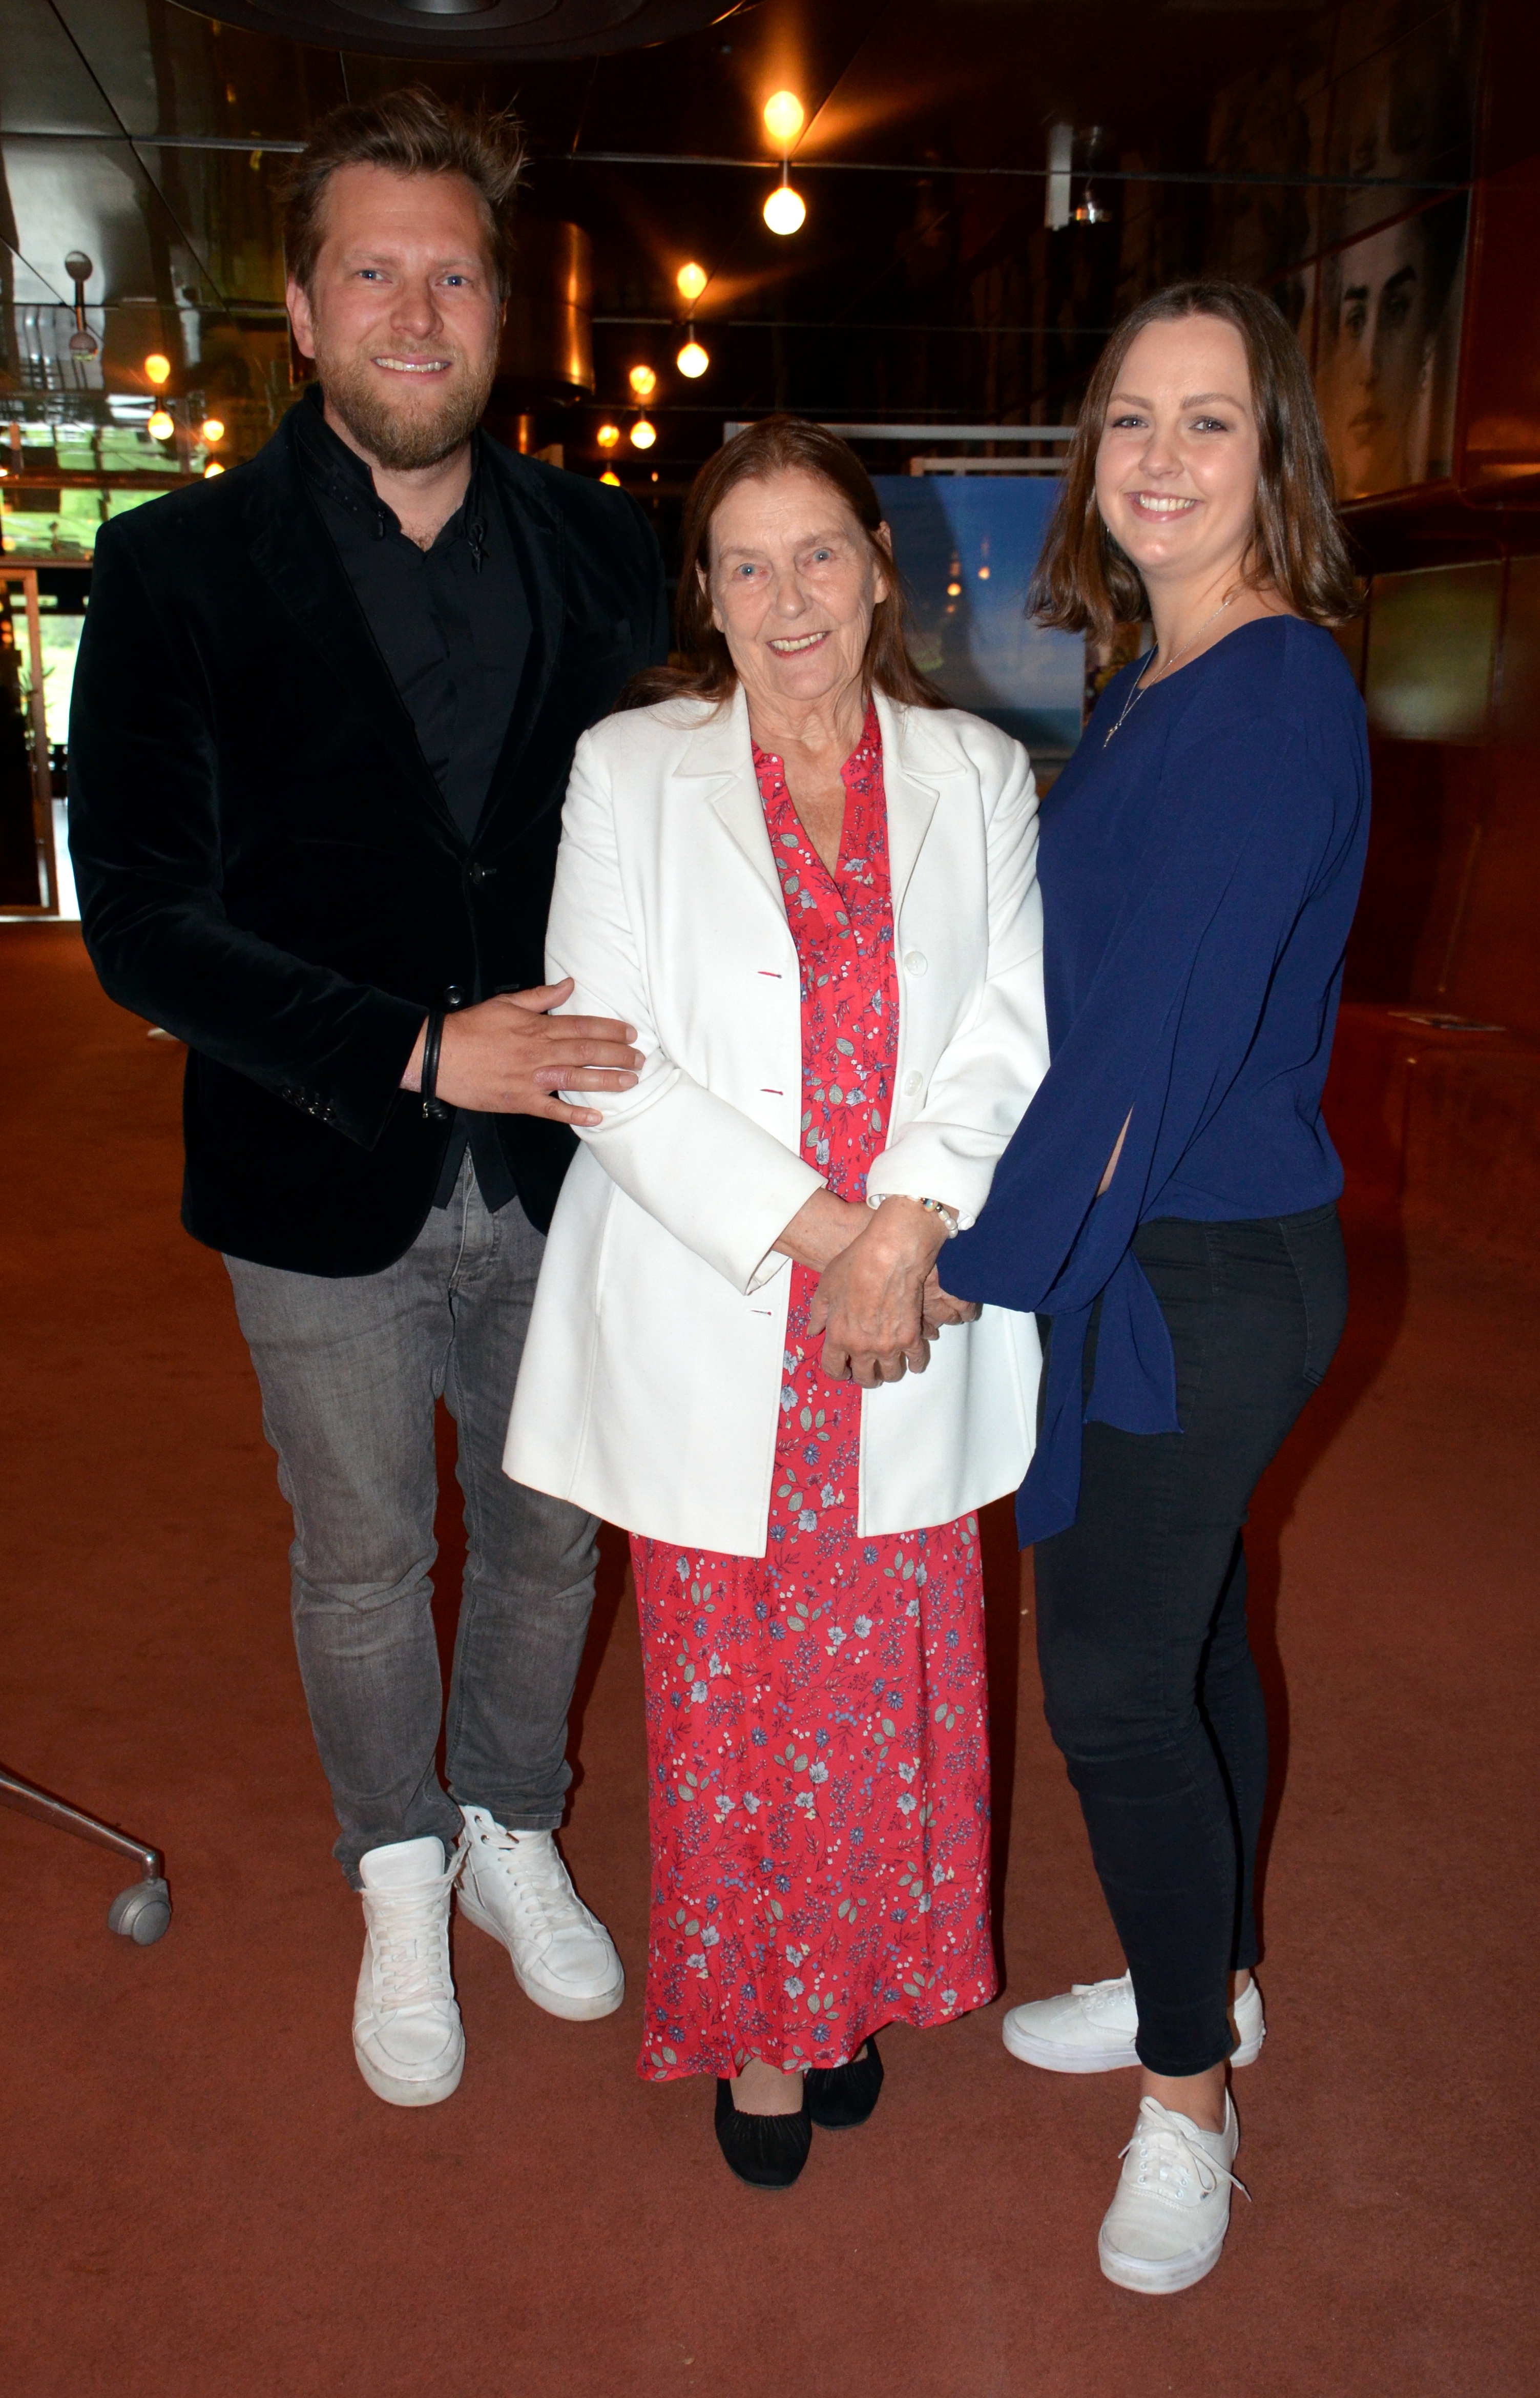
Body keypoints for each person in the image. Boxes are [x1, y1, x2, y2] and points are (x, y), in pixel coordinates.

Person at [67, 89, 668, 2109]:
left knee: (551, 1534)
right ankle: (396, 1865)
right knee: (358, 1556)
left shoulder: (606, 551)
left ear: (505, 308)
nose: (418, 312)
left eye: (455, 275)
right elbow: (140, 921)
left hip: (570, 1165)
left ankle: (509, 1820)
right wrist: (415, 1048)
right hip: (314, 1159)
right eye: (374, 274)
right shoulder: (171, 568)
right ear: (306, 312)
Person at [505, 417, 1047, 2186]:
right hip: (722, 1297)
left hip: (911, 1306)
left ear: (880, 571)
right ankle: (754, 2025)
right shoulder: (629, 768)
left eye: (819, 553)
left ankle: (852, 1991)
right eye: (746, 564)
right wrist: (837, 1239)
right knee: (729, 1699)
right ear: (708, 594)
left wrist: (908, 1233)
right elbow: (603, 1061)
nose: (788, 597)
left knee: (885, 1687)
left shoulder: (976, 771)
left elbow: (1007, 1038)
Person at [942, 281, 1369, 2290]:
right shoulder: (1147, 678)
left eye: (1210, 421)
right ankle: (1208, 1981)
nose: (1163, 458)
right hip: (1160, 1244)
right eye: (1131, 417)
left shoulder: (1269, 693)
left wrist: (970, 1266)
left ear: (1273, 456)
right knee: (1186, 1640)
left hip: (1195, 1265)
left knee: (1112, 1685)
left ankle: (1188, 2102)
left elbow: (1143, 1061)